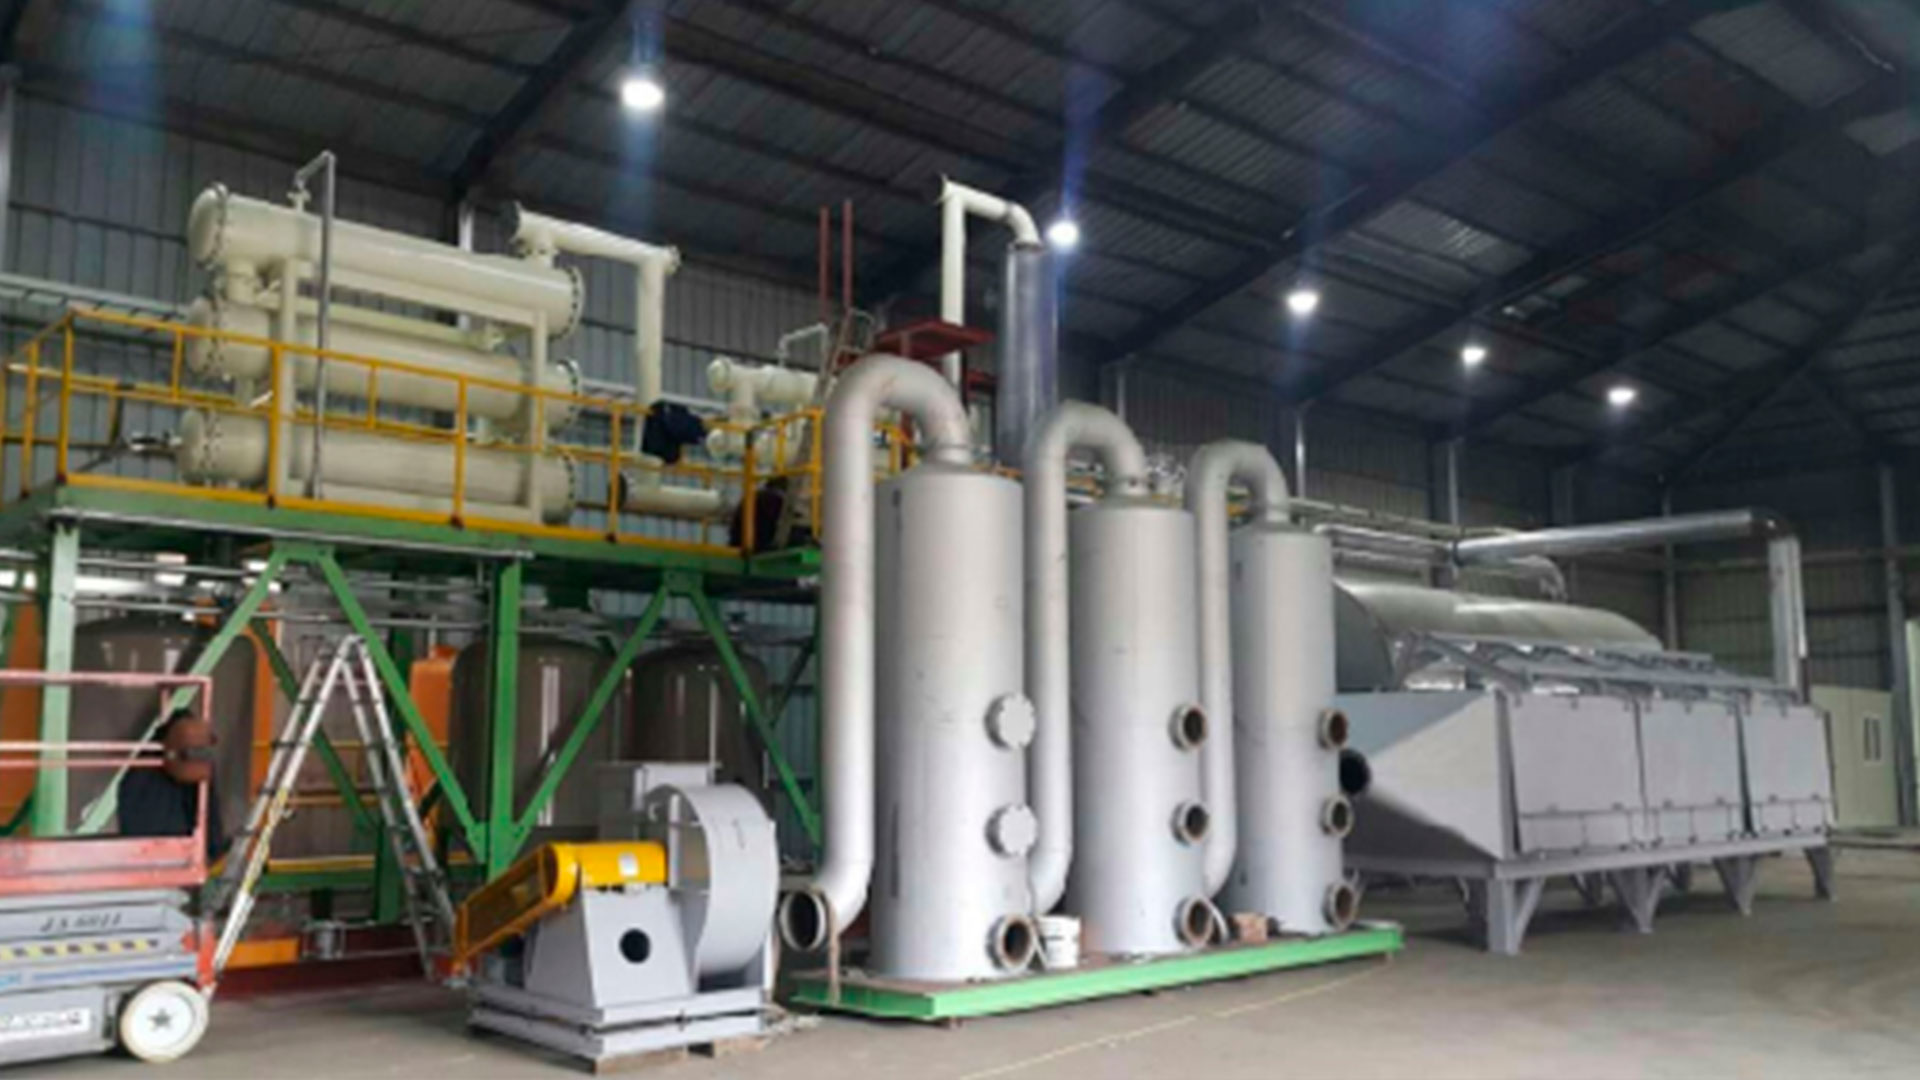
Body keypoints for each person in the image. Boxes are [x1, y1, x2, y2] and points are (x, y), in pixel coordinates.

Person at [118, 707, 227, 861]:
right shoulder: (191, 767)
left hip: (141, 856)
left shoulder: (138, 772)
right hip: (173, 856)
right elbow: (211, 824)